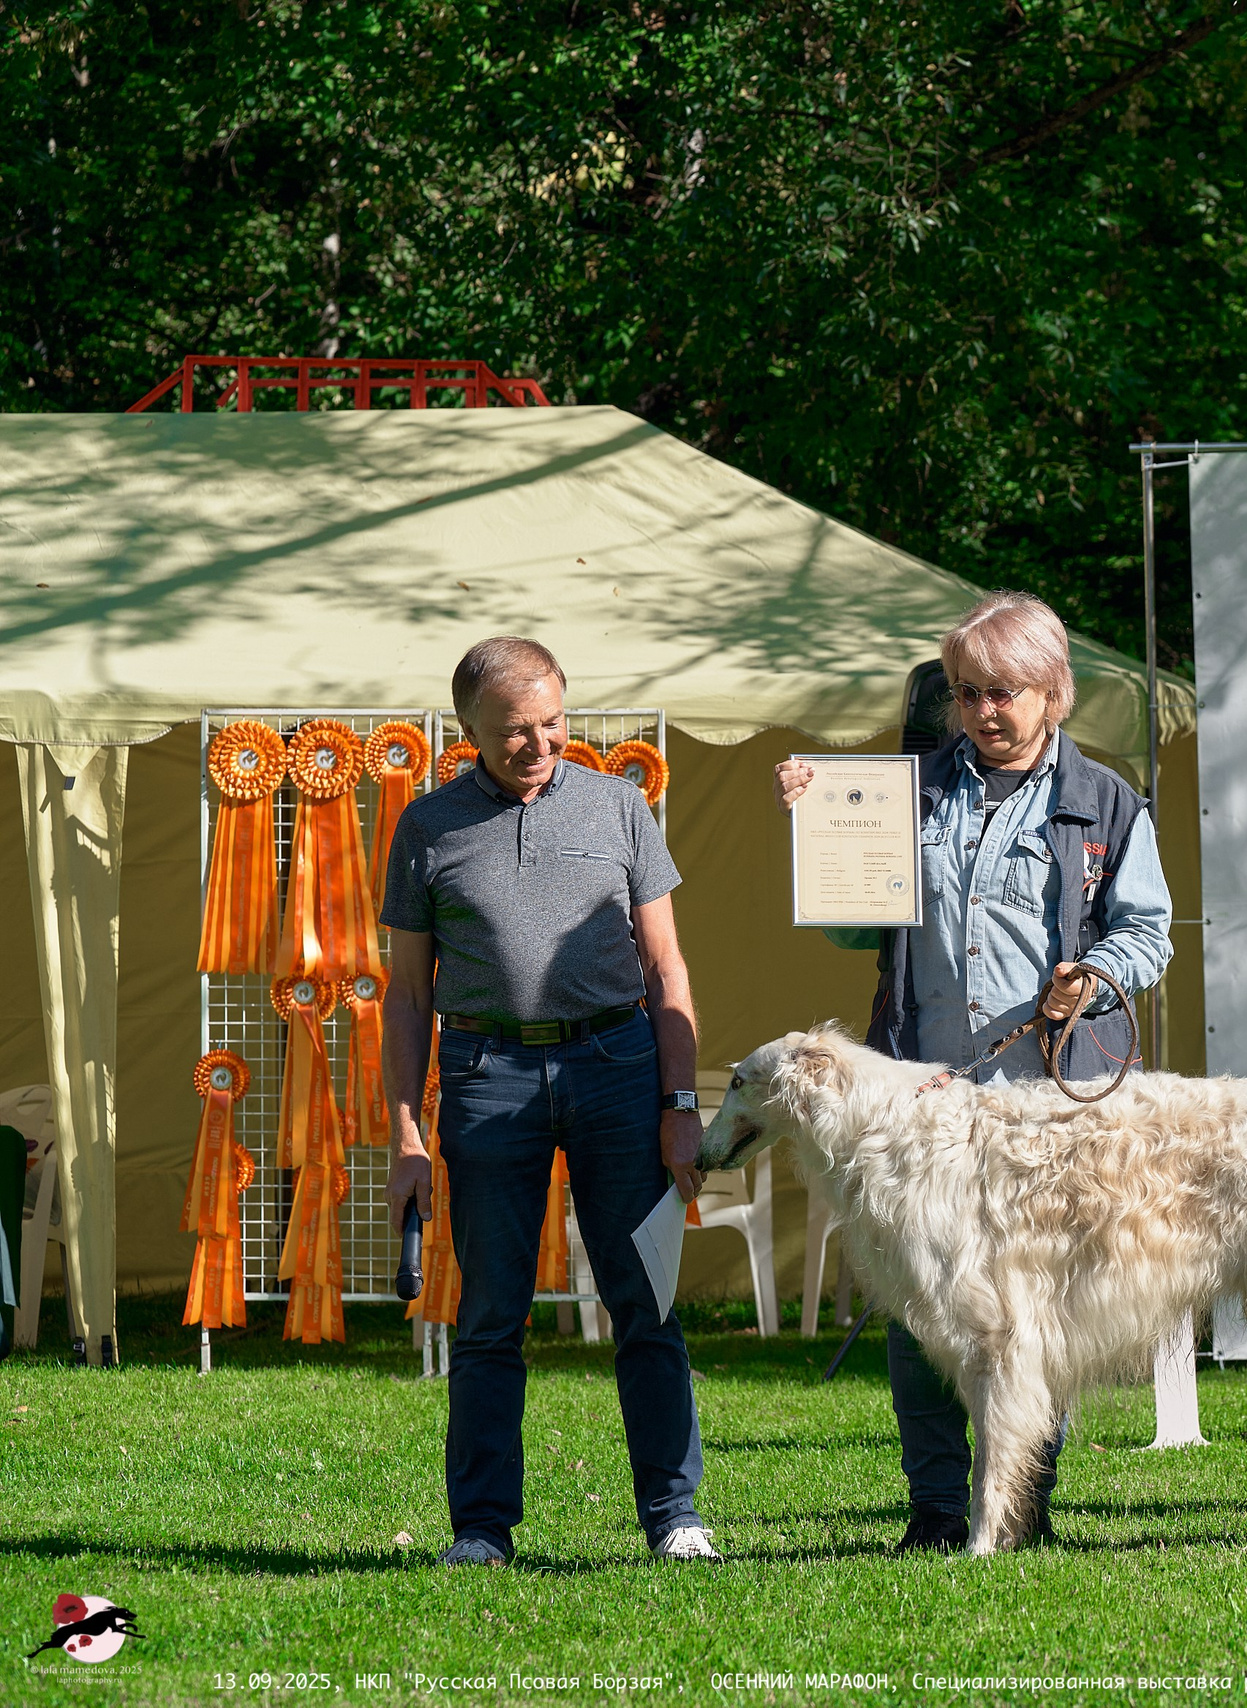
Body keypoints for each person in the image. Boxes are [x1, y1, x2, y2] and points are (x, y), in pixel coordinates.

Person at [774, 592, 1173, 1550]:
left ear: (1054, 693)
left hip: (1044, 1104)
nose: (981, 712)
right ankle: (935, 1508)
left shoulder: (1107, 802)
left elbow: (1148, 931)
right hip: (920, 1099)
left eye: (1003, 692)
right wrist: (816, 828)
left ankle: (1025, 1505)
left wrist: (1100, 977)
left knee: (1034, 1311)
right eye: (964, 693)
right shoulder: (902, 791)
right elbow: (855, 925)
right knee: (919, 1309)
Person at [382, 637, 716, 1566]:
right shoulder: (427, 827)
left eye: (553, 723)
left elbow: (666, 967)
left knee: (645, 1305)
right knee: (491, 1313)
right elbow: (408, 996)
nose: (539, 744)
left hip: (618, 1066)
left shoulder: (621, 804)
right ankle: (482, 1531)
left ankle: (675, 1519)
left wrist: (678, 1099)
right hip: (488, 1079)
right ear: (469, 732)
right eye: (514, 732)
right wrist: (407, 1131)